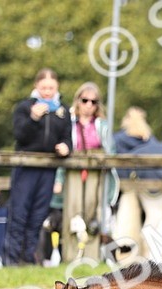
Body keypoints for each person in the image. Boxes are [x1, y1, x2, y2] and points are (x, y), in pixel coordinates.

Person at [3, 68, 71, 266]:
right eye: (44, 87)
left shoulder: (62, 111)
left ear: (56, 87)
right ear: (36, 86)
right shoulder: (25, 107)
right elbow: (19, 135)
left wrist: (66, 147)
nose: (47, 91)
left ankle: (29, 258)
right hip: (26, 168)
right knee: (19, 214)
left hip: (48, 169)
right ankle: (11, 260)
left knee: (38, 215)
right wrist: (33, 119)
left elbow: (67, 136)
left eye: (51, 87)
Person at [59, 82, 114, 261]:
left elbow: (111, 150)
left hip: (95, 173)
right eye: (85, 100)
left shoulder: (102, 125)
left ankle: (92, 257)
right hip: (73, 171)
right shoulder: (68, 122)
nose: (89, 105)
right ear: (78, 101)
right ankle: (71, 256)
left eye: (93, 101)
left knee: (93, 214)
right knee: (73, 213)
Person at [113, 107, 162, 264]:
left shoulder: (120, 140)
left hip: (131, 185)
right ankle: (152, 257)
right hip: (153, 185)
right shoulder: (150, 140)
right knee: (153, 218)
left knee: (129, 221)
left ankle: (131, 258)